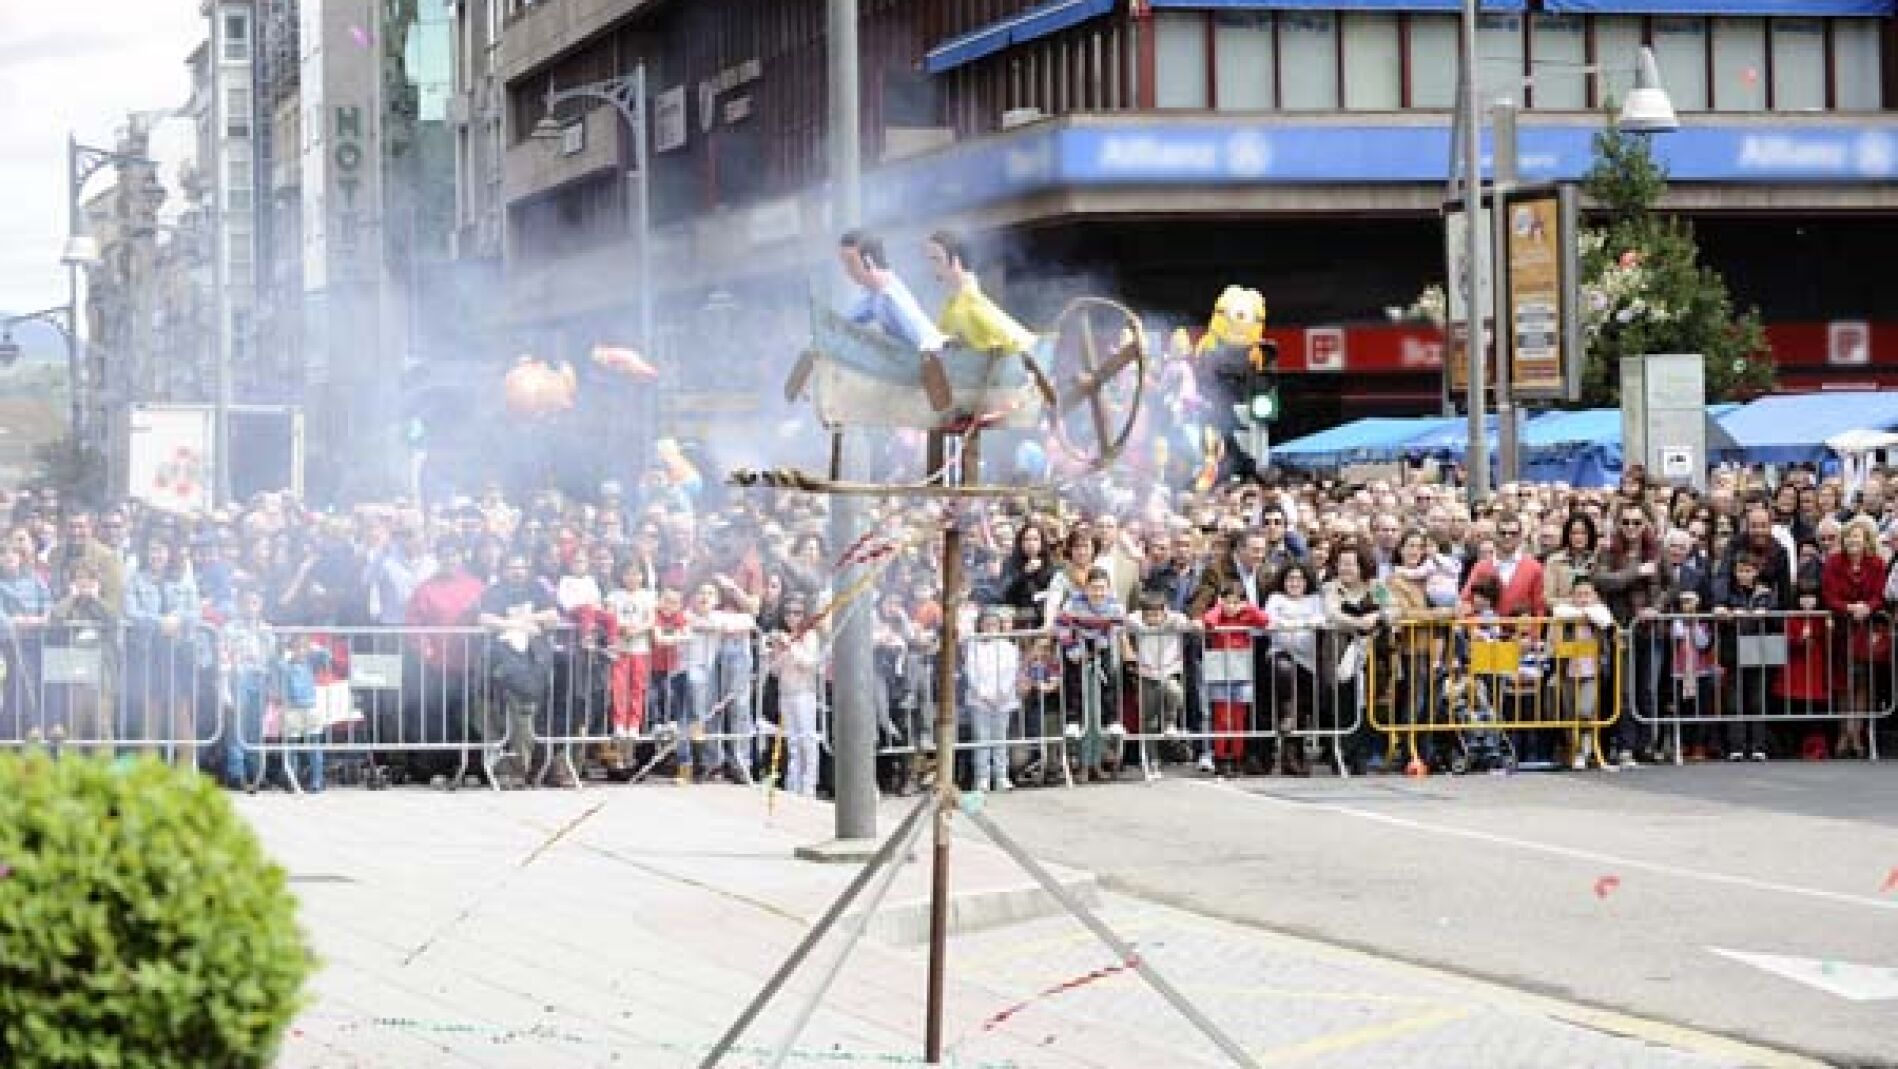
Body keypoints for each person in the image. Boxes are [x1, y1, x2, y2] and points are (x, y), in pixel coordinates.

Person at [478, 554, 567, 788]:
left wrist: (527, 618)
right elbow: (485, 618)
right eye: (512, 567)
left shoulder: (536, 589)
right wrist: (516, 624)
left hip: (535, 665)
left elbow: (552, 616)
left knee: (528, 718)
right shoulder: (495, 591)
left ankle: (526, 769)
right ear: (504, 569)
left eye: (522, 567)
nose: (518, 571)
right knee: (505, 718)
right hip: (503, 665)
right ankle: (512, 769)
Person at [1820, 515, 1887, 758]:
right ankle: (1843, 734)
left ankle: (1856, 734)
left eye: (1857, 536)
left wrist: (1868, 607)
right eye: (1848, 536)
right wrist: (1848, 608)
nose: (1852, 540)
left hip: (1866, 630)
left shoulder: (1876, 563)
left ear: (1865, 539)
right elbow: (1829, 595)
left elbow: (1880, 594)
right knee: (1843, 684)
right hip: (1840, 629)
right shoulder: (1833, 562)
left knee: (1862, 684)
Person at [925, 229, 1038, 358]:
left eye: (936, 259)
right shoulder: (953, 304)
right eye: (929, 260)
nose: (930, 266)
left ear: (955, 261)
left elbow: (1018, 343)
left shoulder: (970, 304)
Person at [839, 229, 947, 355]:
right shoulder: (874, 294)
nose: (847, 270)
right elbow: (846, 322)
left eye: (851, 263)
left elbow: (930, 343)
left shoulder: (891, 298)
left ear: (868, 262)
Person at [1200, 582, 1268, 778]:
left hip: (1241, 670)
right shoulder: (1218, 615)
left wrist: (1247, 608)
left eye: (1235, 602)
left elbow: (1264, 620)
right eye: (1227, 602)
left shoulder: (1246, 615)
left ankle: (1238, 756)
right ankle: (1221, 757)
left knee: (1239, 717)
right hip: (1220, 670)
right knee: (1221, 717)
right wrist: (1219, 607)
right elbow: (1208, 621)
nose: (1231, 607)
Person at [768, 594, 823, 798]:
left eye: (797, 613)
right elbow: (774, 671)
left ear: (804, 614)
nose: (792, 617)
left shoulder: (810, 636)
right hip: (786, 693)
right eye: (788, 612)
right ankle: (793, 784)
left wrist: (790, 645)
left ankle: (809, 787)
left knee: (807, 740)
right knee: (792, 741)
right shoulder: (785, 636)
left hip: (804, 693)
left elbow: (809, 663)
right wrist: (777, 650)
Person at [964, 606, 1022, 793]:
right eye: (986, 624)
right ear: (980, 625)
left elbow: (1011, 671)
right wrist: (984, 694)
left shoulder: (1009, 647)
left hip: (1003, 698)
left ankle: (1001, 776)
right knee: (982, 738)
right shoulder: (973, 646)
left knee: (1000, 738)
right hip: (980, 699)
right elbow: (971, 672)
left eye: (994, 624)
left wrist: (1002, 692)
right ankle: (982, 777)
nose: (990, 628)